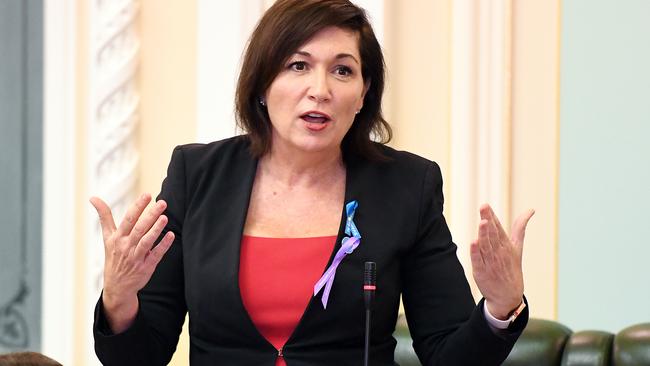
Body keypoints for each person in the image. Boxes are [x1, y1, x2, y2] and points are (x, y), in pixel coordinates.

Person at [91, 0, 535, 365]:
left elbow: (446, 355)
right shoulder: (199, 174)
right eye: (298, 66)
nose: (320, 89)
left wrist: (500, 308)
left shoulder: (406, 186)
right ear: (263, 84)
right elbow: (140, 358)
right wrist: (119, 298)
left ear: (363, 95)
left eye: (343, 71)